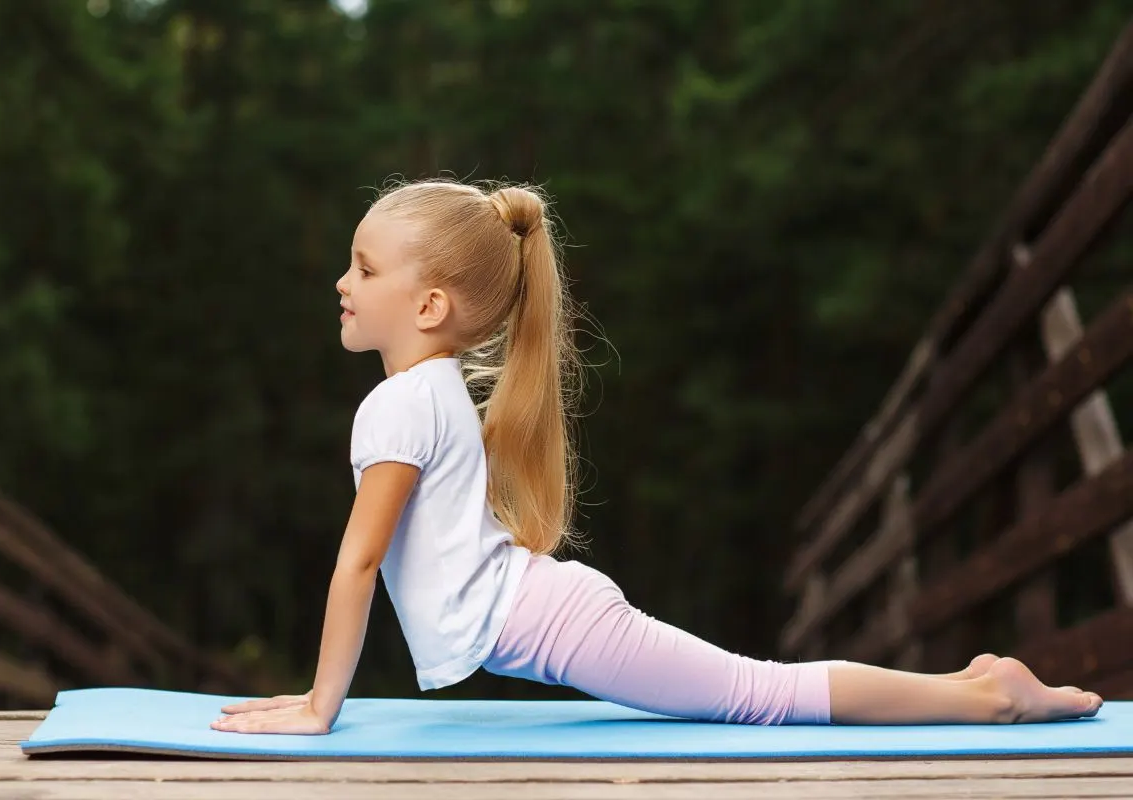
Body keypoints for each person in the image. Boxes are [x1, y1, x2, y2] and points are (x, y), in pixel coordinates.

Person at [210, 179, 1103, 735]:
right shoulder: (430, 389)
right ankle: (979, 683)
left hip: (556, 624)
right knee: (759, 690)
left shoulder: (401, 404)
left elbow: (358, 561)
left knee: (762, 697)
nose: (342, 281)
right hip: (547, 613)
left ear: (431, 303)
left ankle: (995, 700)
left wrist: (319, 707)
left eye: (363, 268)